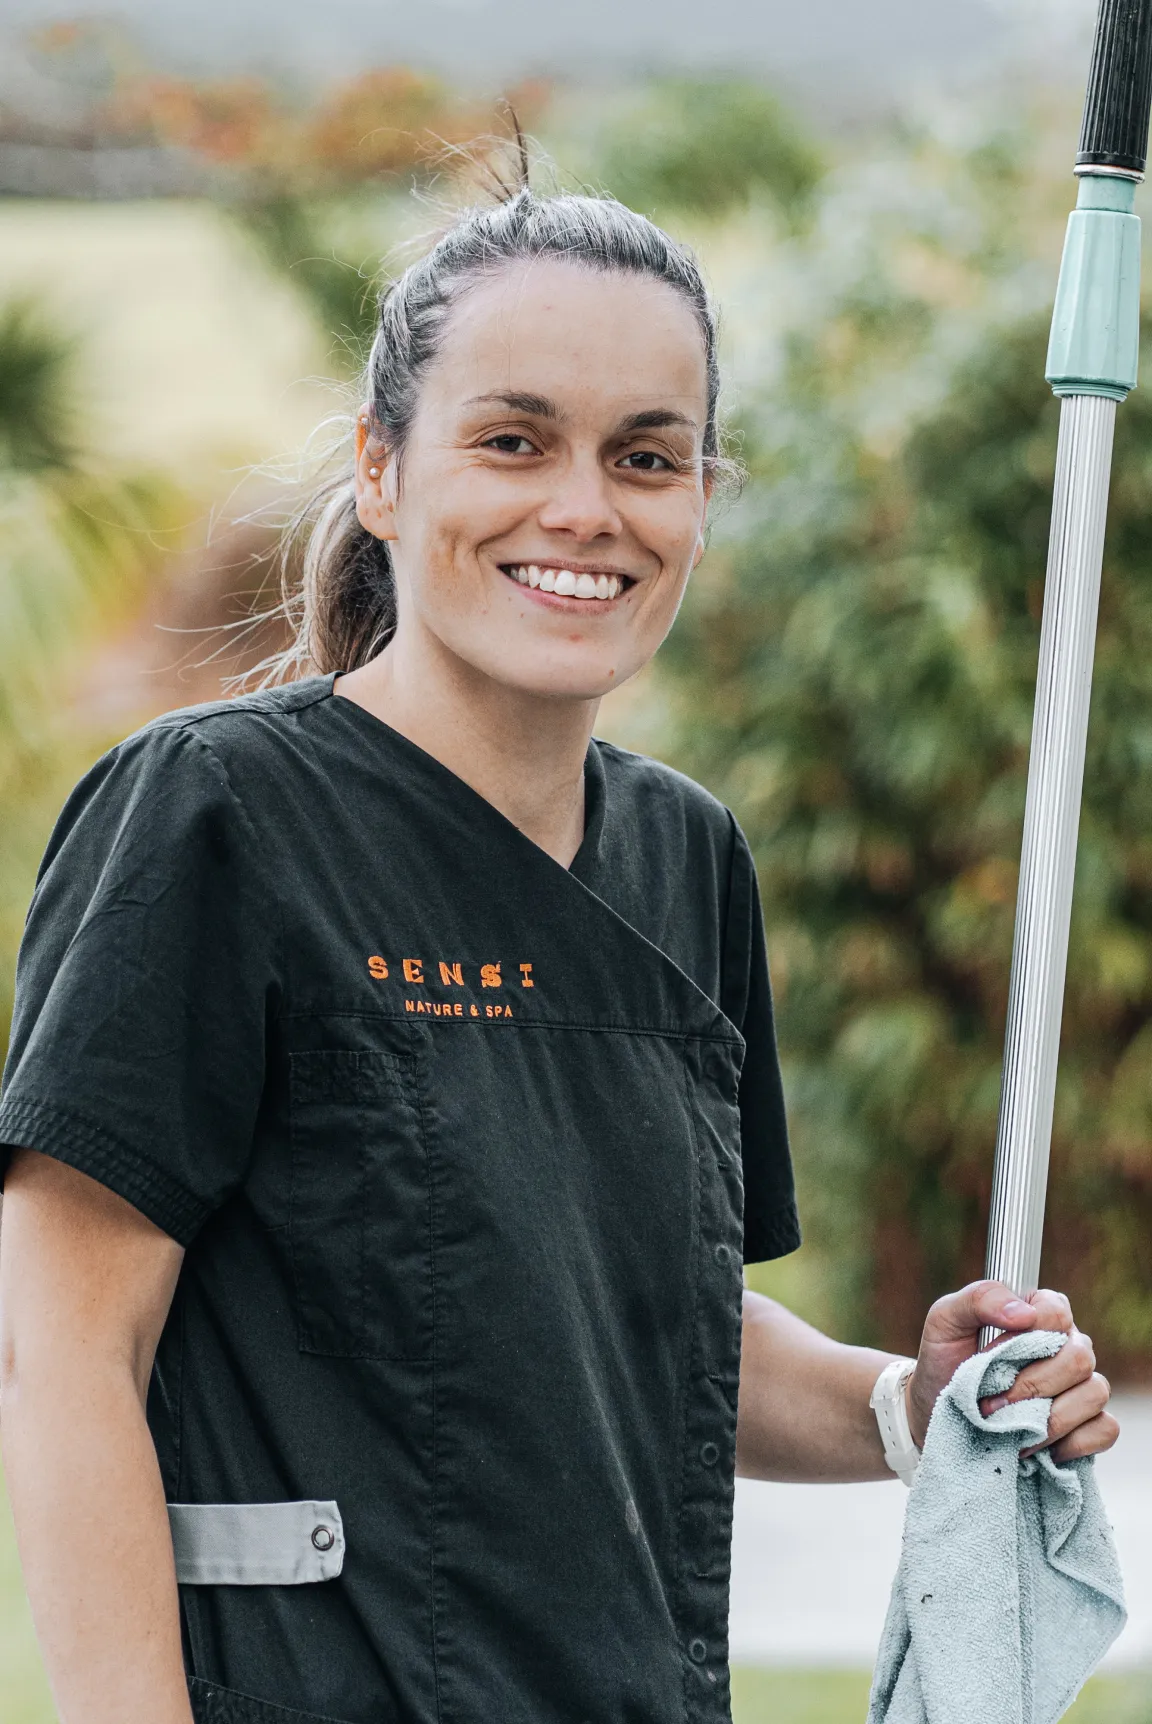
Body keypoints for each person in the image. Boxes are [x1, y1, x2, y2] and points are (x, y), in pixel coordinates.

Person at [0, 183, 1116, 1724]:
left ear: (701, 502)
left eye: (646, 457)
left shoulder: (688, 859)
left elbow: (661, 1327)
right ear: (382, 472)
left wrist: (912, 1405)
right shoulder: (213, 816)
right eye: (516, 442)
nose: (586, 509)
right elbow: (62, 1353)